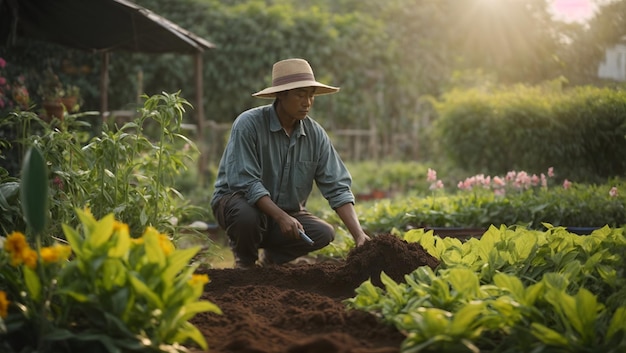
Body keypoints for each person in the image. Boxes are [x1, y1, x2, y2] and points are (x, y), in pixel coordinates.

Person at [210, 58, 371, 269]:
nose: (307, 103)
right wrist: (280, 216)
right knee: (246, 216)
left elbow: (337, 187)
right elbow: (245, 182)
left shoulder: (315, 135)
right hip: (239, 205)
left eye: (311, 96)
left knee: (323, 233)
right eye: (300, 95)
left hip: (285, 214)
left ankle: (272, 260)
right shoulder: (248, 124)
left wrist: (359, 235)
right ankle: (245, 263)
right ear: (280, 95)